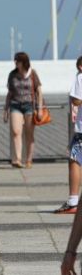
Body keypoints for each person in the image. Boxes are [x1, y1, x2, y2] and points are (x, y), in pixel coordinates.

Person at [4, 52, 42, 169]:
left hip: (29, 105)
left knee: (29, 133)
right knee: (16, 131)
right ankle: (18, 159)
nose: (15, 63)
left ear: (23, 62)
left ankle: (29, 159)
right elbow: (9, 93)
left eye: (17, 61)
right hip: (15, 104)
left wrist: (39, 109)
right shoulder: (12, 74)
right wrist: (6, 110)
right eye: (15, 61)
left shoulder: (32, 74)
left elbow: (39, 91)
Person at [56, 56, 82, 214]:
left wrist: (73, 98)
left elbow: (77, 101)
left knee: (74, 161)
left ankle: (73, 201)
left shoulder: (80, 78)